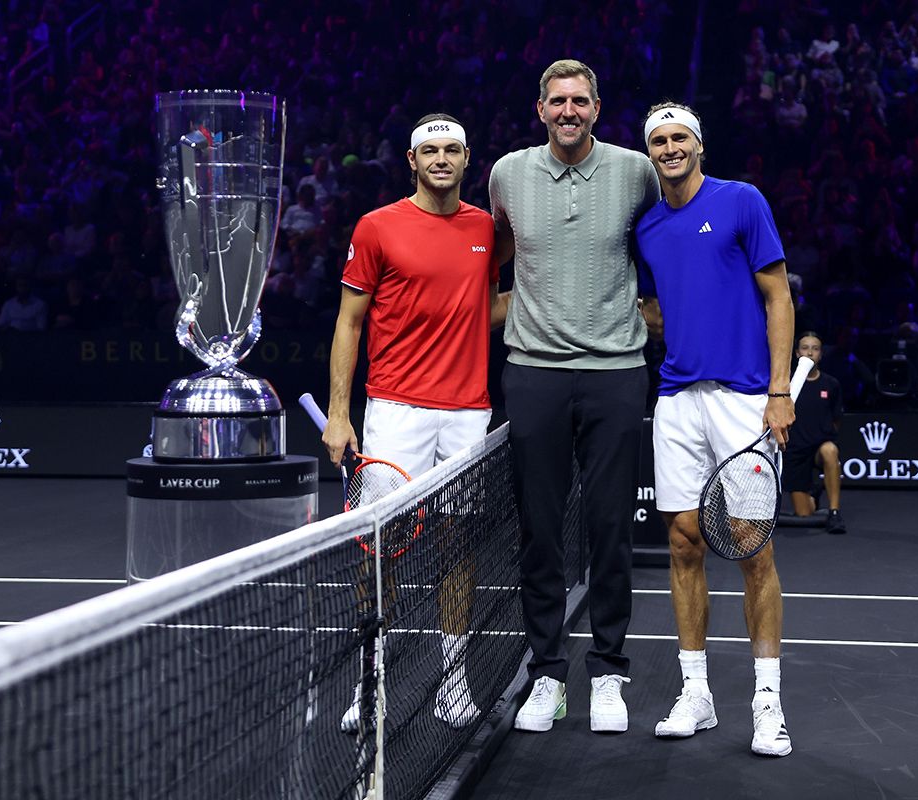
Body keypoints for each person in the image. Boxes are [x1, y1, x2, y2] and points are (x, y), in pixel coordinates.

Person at [489, 59, 660, 734]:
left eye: (580, 100)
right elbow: (496, 254)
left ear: (596, 107)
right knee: (539, 533)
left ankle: (611, 672)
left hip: (617, 372)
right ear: (541, 110)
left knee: (612, 528)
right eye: (557, 100)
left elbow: (663, 246)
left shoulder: (636, 172)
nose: (569, 110)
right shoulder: (507, 173)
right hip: (533, 372)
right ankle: (548, 676)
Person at [323, 113, 509, 731]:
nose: (441, 158)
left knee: (458, 547)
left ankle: (451, 679)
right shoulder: (377, 227)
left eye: (452, 149)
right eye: (429, 150)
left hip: (466, 416)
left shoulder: (487, 228)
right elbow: (349, 323)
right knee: (380, 555)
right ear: (411, 160)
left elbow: (494, 303)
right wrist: (340, 415)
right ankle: (368, 685)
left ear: (466, 158)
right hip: (394, 413)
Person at [634, 103, 795, 756]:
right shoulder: (645, 224)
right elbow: (655, 309)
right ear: (649, 153)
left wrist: (780, 390)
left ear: (699, 146)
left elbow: (778, 295)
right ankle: (696, 695)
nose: (670, 148)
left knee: (753, 544)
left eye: (679, 138)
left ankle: (767, 705)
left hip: (745, 401)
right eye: (659, 141)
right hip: (676, 400)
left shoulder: (742, 201)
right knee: (682, 542)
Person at [781, 332, 847, 534]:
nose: (809, 352)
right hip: (795, 452)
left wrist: (823, 434)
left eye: (815, 348)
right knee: (805, 515)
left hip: (819, 447)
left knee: (830, 450)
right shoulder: (787, 385)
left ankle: (834, 512)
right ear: (796, 353)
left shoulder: (831, 384)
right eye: (805, 348)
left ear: (821, 354)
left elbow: (836, 420)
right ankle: (815, 493)